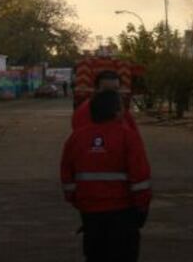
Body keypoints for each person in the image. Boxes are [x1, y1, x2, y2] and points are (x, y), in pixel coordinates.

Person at [61, 90, 152, 262]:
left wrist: (77, 200)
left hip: (90, 213)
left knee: (95, 255)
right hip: (122, 212)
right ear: (117, 111)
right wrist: (141, 207)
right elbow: (140, 177)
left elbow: (67, 175)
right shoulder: (128, 137)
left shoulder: (76, 138)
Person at [72, 71, 139, 137]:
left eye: (115, 89)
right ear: (96, 89)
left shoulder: (123, 111)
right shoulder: (83, 111)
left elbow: (134, 136)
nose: (111, 94)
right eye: (106, 90)